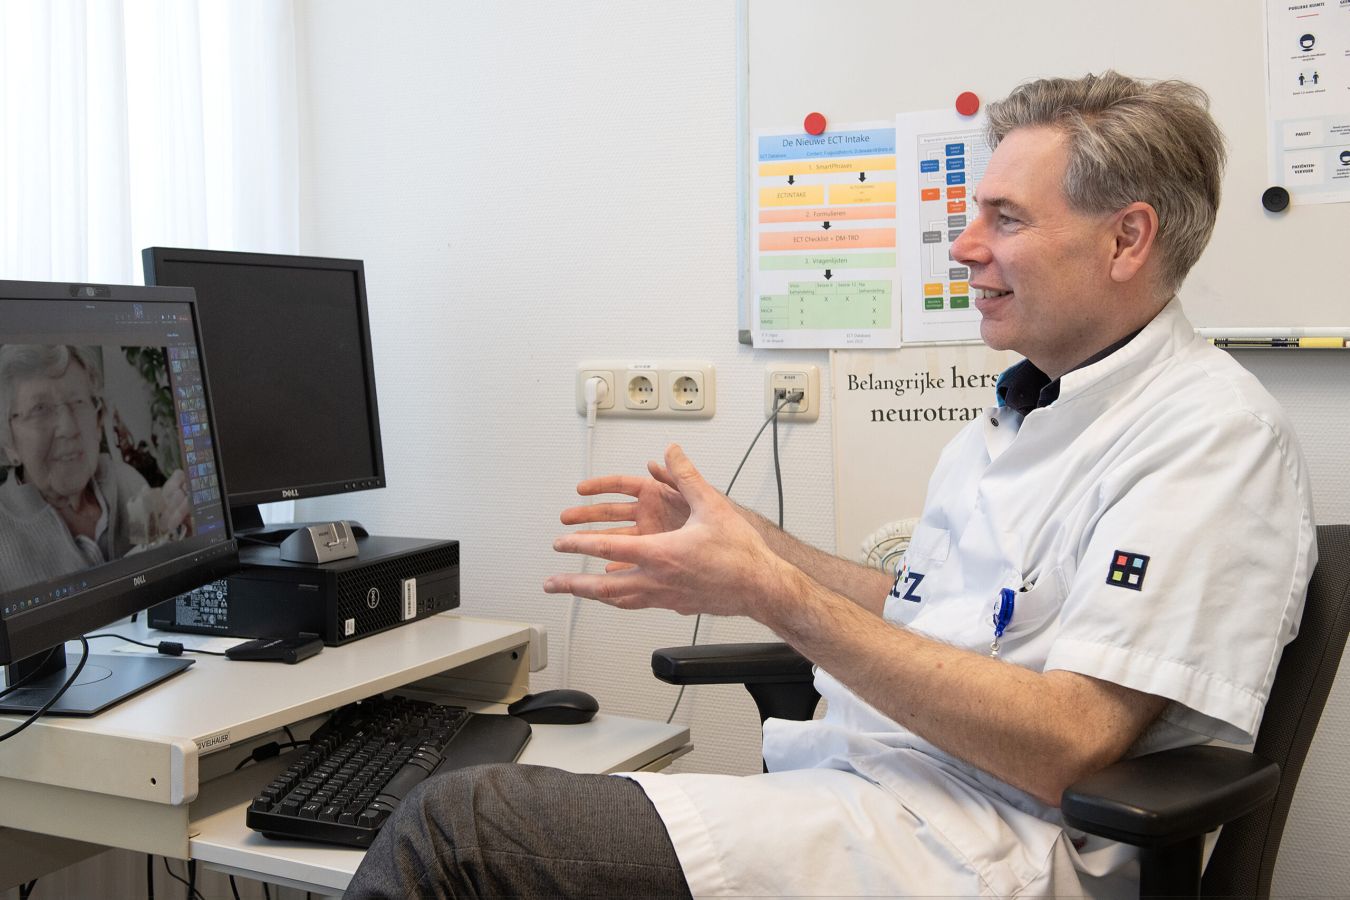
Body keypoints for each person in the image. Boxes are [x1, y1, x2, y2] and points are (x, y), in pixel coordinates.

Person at [346, 71, 1317, 899]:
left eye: (1006, 218)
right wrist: (749, 542)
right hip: (877, 792)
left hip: (991, 846)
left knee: (457, 829)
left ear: (1127, 239)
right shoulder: (1022, 411)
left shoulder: (1209, 438)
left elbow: (1070, 743)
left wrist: (771, 591)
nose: (965, 244)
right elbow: (929, 611)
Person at [0, 344, 191, 592]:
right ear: (9, 443)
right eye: (40, 409)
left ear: (98, 421)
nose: (68, 428)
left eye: (78, 402)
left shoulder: (124, 480)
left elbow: (156, 546)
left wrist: (177, 530)